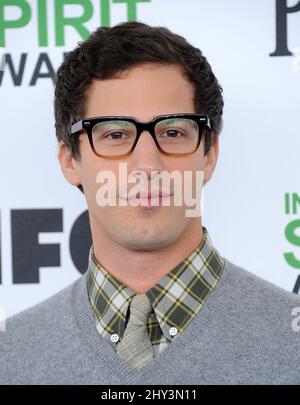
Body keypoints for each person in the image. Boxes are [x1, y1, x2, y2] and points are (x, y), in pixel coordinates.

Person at [0, 21, 299, 385]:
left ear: (210, 154)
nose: (146, 165)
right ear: (69, 160)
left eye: (172, 132)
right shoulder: (9, 356)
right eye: (114, 134)